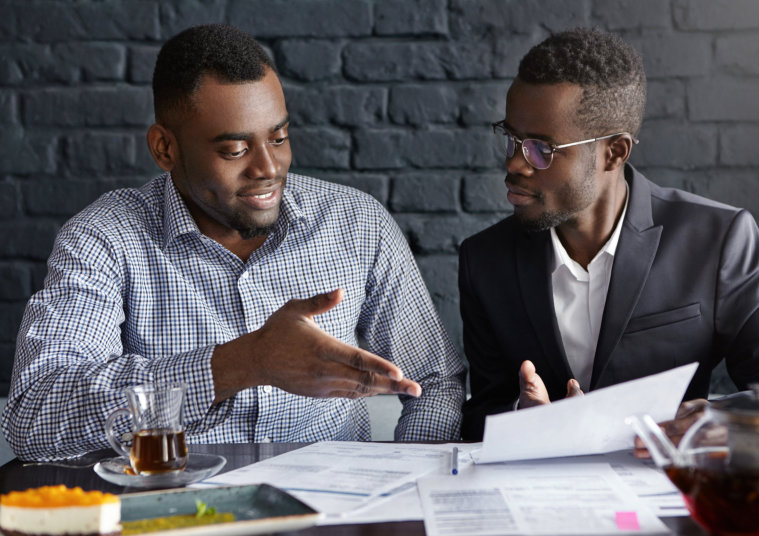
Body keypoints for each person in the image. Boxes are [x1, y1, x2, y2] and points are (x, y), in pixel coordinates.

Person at [3, 24, 465, 461]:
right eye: (235, 150)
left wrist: (402, 485)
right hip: (177, 514)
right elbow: (34, 415)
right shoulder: (104, 239)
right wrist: (243, 362)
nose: (268, 167)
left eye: (279, 137)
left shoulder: (355, 223)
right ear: (165, 148)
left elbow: (436, 382)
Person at [458, 27, 759, 450]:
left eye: (542, 148)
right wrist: (523, 420)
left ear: (614, 152)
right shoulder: (485, 261)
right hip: (541, 499)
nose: (515, 162)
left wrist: (730, 417)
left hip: (665, 492)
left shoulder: (716, 241)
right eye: (512, 138)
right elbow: (482, 413)